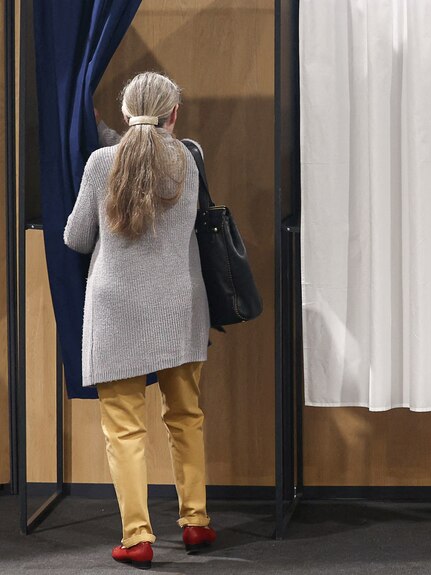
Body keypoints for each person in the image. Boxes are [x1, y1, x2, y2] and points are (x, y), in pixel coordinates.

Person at [64, 71, 216, 569]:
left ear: (126, 113)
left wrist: (102, 134)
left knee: (125, 429)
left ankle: (137, 538)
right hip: (178, 306)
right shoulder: (190, 160)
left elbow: (77, 238)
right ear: (175, 115)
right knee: (185, 416)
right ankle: (195, 521)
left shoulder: (100, 163)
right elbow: (150, 157)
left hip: (118, 309)